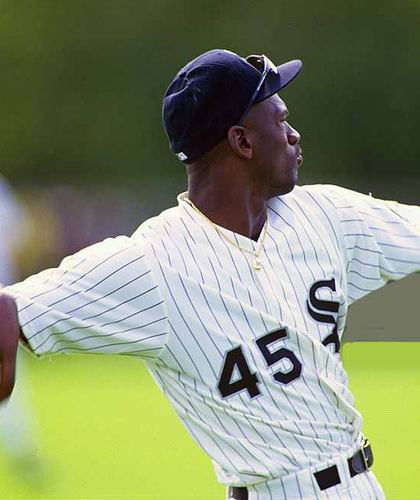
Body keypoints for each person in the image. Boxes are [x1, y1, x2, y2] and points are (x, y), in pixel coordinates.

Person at [0, 48, 419, 499]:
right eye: (280, 119)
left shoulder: (327, 216)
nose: (294, 135)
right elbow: (12, 311)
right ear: (242, 141)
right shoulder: (153, 266)